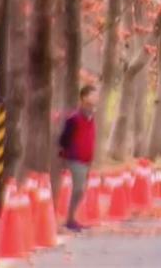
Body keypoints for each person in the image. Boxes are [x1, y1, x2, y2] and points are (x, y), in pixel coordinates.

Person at [58, 84, 99, 232]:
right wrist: (66, 152)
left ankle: (71, 218)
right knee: (79, 189)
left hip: (86, 159)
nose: (96, 98)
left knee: (81, 190)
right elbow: (64, 138)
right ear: (84, 97)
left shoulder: (91, 116)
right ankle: (69, 219)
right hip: (75, 158)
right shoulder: (74, 118)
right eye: (93, 95)